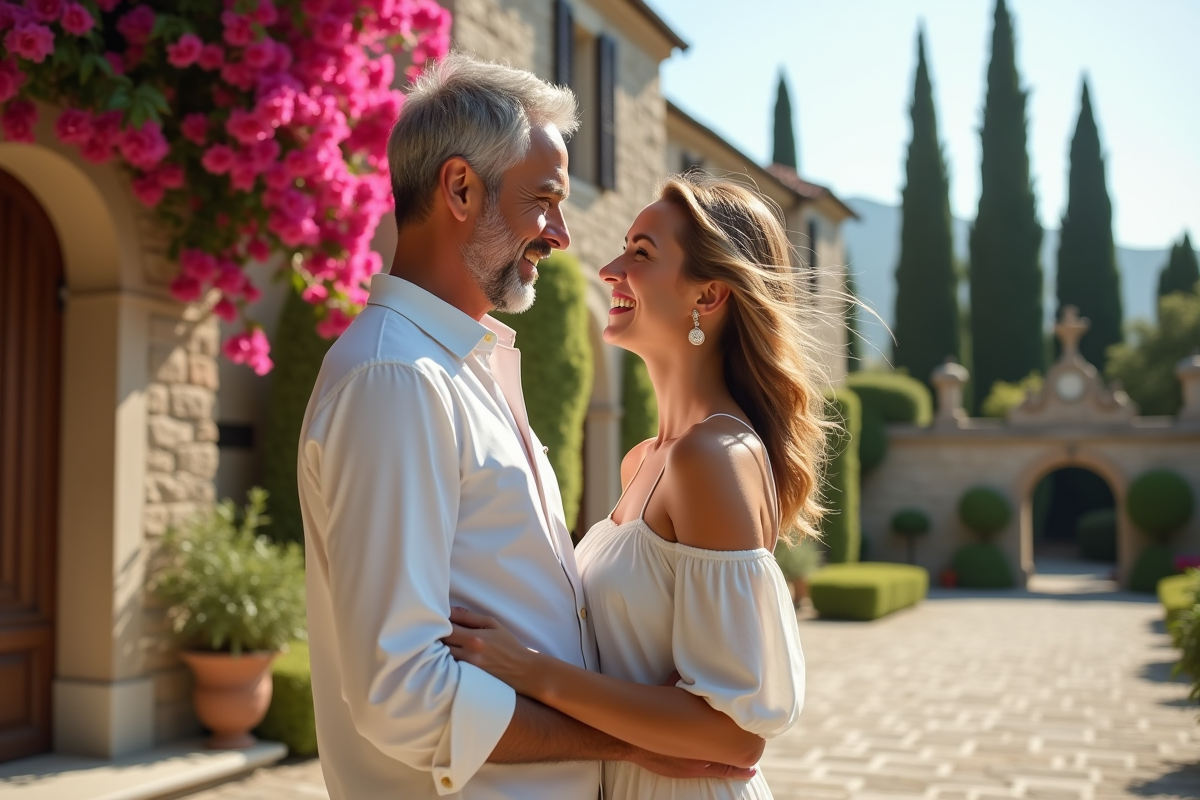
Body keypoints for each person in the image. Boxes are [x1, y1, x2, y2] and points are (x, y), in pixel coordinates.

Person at [297, 54, 754, 800]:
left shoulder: (460, 369)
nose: (563, 235)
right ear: (459, 188)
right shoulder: (398, 381)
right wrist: (635, 742)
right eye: (544, 200)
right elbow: (402, 695)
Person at [445, 172, 828, 799]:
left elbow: (734, 736)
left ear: (707, 294)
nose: (610, 267)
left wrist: (531, 671)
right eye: (624, 245)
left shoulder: (714, 456)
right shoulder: (643, 460)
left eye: (642, 253)